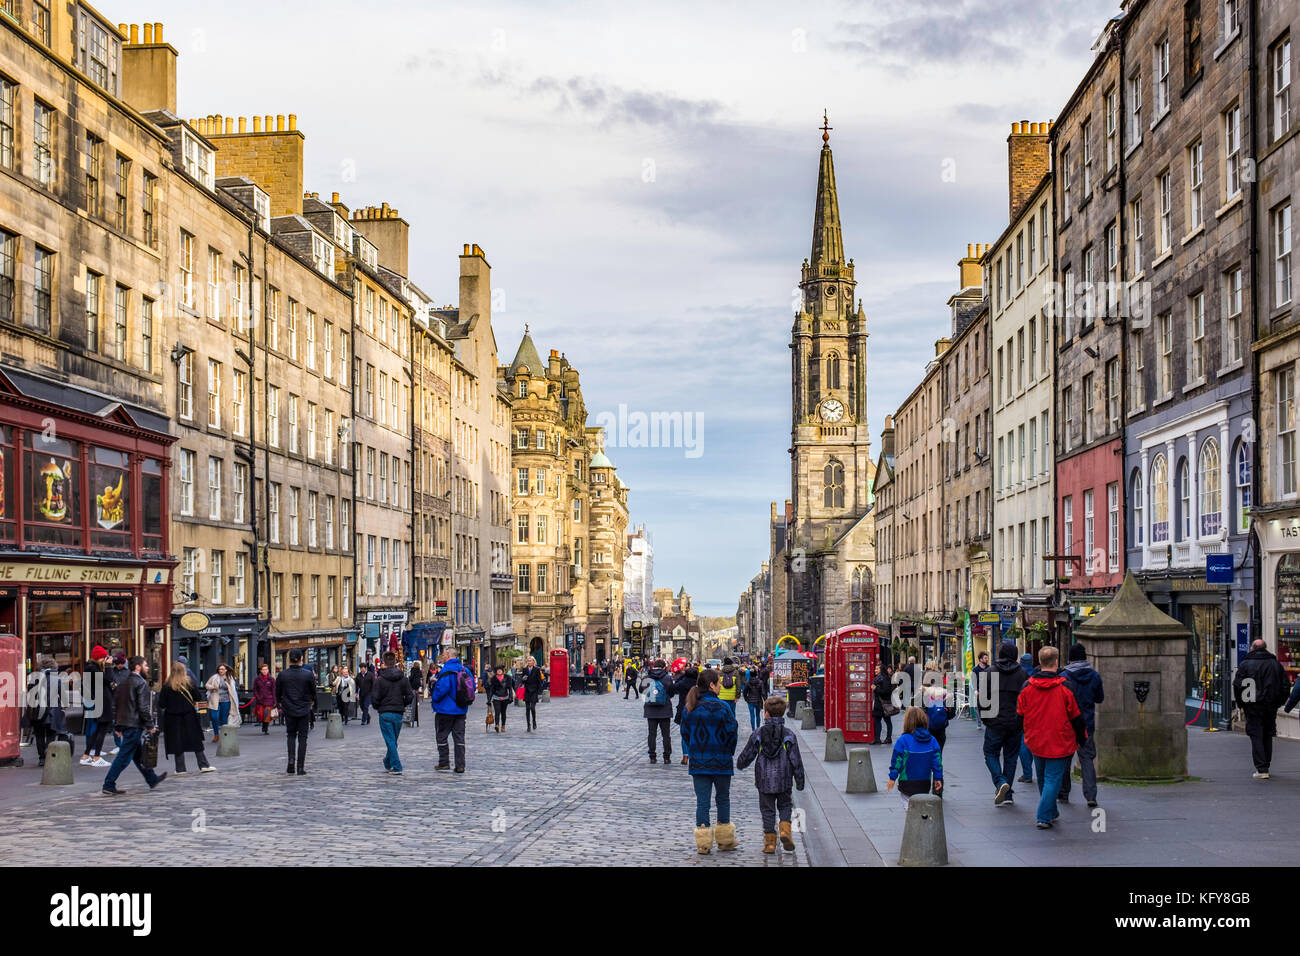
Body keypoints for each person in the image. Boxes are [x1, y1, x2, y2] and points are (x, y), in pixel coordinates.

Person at [1017, 646, 1086, 829]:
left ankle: (1051, 810)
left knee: (1042, 777)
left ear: (1039, 662)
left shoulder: (1027, 687)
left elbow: (1020, 714)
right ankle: (1043, 815)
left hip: (1036, 739)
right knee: (1053, 778)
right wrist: (1082, 737)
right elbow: (1076, 716)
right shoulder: (1065, 687)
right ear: (1056, 662)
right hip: (1059, 739)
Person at [736, 696, 806, 854]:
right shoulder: (789, 735)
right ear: (782, 713)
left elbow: (748, 754)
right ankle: (785, 831)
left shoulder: (758, 734)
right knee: (785, 805)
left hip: (764, 780)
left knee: (767, 810)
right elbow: (796, 760)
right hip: (784, 779)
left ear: (766, 713)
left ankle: (769, 843)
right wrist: (799, 781)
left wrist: (740, 764)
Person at [681, 669, 740, 854]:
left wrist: (695, 747)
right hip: (721, 761)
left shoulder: (691, 707)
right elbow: (733, 732)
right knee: (723, 798)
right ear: (712, 685)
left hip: (699, 761)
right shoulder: (723, 707)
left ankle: (704, 843)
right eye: (718, 683)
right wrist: (728, 751)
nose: (721, 685)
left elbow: (685, 733)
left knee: (702, 801)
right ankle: (724, 840)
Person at [101, 656, 167, 795]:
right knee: (123, 757)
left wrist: (118, 726)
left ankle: (152, 779)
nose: (147, 667)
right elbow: (143, 707)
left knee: (138, 755)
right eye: (145, 665)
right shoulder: (140, 683)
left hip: (126, 723)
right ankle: (109, 783)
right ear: (138, 667)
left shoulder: (123, 682)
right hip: (133, 724)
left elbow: (117, 705)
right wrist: (150, 725)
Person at [1234, 638, 1290, 779]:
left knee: (1256, 735)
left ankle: (1261, 768)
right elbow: (1285, 686)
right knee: (1267, 734)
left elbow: (1238, 685)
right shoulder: (1275, 664)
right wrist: (1279, 702)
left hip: (1252, 704)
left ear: (1252, 648)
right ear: (1265, 647)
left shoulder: (1245, 664)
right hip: (1270, 705)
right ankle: (1266, 764)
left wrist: (1241, 704)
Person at [982, 641, 1029, 807]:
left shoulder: (989, 672)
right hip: (1015, 723)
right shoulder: (1023, 675)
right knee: (1010, 757)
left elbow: (982, 700)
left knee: (990, 753)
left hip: (994, 722)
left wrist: (985, 720)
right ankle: (1007, 794)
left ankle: (1000, 781)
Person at [1060, 642, 1105, 806]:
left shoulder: (1064, 677)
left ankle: (1064, 793)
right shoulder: (1094, 676)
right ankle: (1091, 795)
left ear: (1071, 659)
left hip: (1068, 724)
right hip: (1087, 723)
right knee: (1087, 759)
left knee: (1064, 759)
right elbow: (1099, 698)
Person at [157, 661, 214, 774]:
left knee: (177, 742)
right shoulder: (189, 684)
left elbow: (162, 703)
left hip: (172, 718)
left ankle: (180, 768)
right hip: (189, 716)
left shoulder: (167, 686)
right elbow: (198, 697)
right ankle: (203, 765)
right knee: (195, 741)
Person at [886, 706, 943, 806]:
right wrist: (938, 778)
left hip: (906, 783)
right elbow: (937, 762)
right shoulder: (932, 740)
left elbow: (897, 761)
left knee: (910, 811)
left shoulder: (903, 740)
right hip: (924, 783)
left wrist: (892, 778)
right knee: (921, 808)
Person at [430, 650, 474, 773]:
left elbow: (441, 689)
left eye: (444, 655)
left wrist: (434, 698)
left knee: (442, 736)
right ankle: (460, 765)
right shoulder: (464, 669)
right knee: (459, 738)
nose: (443, 657)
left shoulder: (446, 670)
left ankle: (444, 762)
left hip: (445, 709)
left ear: (449, 656)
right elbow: (472, 687)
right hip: (461, 709)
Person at [275, 649, 317, 776]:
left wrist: (280, 704)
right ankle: (300, 767)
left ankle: (291, 762)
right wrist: (313, 705)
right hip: (304, 708)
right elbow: (313, 692)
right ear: (301, 659)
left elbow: (278, 693)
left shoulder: (283, 675)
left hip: (289, 708)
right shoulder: (307, 674)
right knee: (303, 738)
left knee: (291, 735)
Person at [372, 652, 414, 775]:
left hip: (385, 713)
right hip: (398, 713)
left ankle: (396, 766)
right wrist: (403, 704)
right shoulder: (403, 679)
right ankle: (387, 762)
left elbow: (374, 698)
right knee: (393, 740)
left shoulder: (380, 680)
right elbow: (410, 695)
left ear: (384, 663)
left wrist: (378, 706)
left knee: (390, 740)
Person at [24, 656, 69, 768]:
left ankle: (41, 758)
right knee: (50, 735)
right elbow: (63, 697)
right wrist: (64, 707)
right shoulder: (57, 679)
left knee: (39, 735)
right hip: (52, 712)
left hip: (37, 712)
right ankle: (48, 756)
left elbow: (29, 695)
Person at [640, 659, 677, 763]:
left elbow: (640, 690)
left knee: (652, 734)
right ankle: (666, 757)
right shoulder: (667, 678)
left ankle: (652, 756)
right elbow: (672, 692)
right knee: (666, 735)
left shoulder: (647, 677)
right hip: (665, 710)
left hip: (650, 710)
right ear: (664, 667)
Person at [80, 645, 111, 767]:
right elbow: (108, 679)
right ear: (100, 658)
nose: (105, 660)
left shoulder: (90, 668)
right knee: (101, 730)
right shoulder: (93, 669)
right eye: (104, 657)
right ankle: (97, 757)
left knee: (97, 729)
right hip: (100, 702)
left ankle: (86, 755)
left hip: (96, 701)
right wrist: (108, 667)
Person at [204, 663, 237, 744]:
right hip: (215, 699)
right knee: (214, 717)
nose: (221, 670)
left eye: (222, 669)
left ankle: (223, 735)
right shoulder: (214, 677)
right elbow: (207, 685)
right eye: (219, 669)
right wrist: (211, 687)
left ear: (226, 670)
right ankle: (216, 734)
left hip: (226, 700)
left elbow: (232, 689)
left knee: (224, 719)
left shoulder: (229, 678)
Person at [673, 665, 699, 766]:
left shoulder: (682, 683)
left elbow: (674, 688)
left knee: (684, 734)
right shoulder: (698, 685)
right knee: (695, 733)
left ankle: (685, 756)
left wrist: (681, 677)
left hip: (683, 709)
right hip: (696, 709)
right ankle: (694, 754)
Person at [1017, 652, 1036, 783]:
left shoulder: (1018, 675)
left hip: (1023, 712)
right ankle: (1030, 770)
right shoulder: (1036, 674)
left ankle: (1027, 772)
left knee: (1023, 743)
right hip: (1037, 712)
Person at [871, 664, 894, 745]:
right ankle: (877, 738)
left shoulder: (885, 679)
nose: (875, 670)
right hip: (878, 704)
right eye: (875, 669)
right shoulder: (878, 679)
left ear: (881, 670)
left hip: (884, 704)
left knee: (887, 721)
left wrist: (876, 688)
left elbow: (886, 691)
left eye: (877, 669)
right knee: (877, 721)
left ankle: (888, 738)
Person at [519, 658, 544, 732]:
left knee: (532, 708)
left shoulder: (537, 669)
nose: (529, 662)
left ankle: (534, 721)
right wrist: (523, 679)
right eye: (528, 661)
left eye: (530, 661)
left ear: (533, 662)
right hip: (527, 691)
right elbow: (522, 681)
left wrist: (539, 693)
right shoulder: (524, 669)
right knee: (527, 708)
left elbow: (539, 681)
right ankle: (528, 725)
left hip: (534, 691)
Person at [488, 665, 514, 733]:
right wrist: (489, 699)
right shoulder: (493, 678)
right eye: (498, 670)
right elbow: (491, 690)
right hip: (496, 697)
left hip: (505, 697)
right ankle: (496, 725)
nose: (499, 671)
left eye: (500, 670)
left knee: (503, 712)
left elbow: (510, 688)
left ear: (503, 671)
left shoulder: (507, 677)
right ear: (496, 671)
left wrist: (510, 697)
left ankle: (503, 725)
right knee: (497, 712)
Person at [252, 662, 277, 735]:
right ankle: (263, 724)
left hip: (269, 699)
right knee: (261, 715)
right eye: (263, 670)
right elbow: (255, 689)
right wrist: (257, 696)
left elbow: (274, 690)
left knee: (267, 715)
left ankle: (265, 728)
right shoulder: (257, 679)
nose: (264, 671)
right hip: (260, 700)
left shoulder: (271, 679)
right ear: (261, 671)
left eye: (266, 669)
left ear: (268, 670)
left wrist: (275, 701)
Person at [970, 651, 991, 727]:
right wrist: (975, 690)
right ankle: (979, 722)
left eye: (987, 658)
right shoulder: (975, 669)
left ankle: (987, 722)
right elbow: (973, 680)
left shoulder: (989, 668)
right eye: (985, 658)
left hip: (988, 691)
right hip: (978, 691)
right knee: (976, 707)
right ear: (980, 659)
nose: (987, 659)